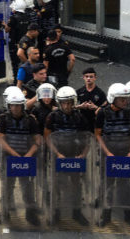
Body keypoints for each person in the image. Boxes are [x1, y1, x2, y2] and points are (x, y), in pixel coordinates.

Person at [94, 83, 130, 228]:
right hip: (108, 155)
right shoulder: (102, 113)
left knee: (125, 185)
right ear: (112, 99)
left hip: (126, 154)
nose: (126, 102)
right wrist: (107, 153)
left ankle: (129, 215)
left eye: (126, 99)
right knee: (107, 184)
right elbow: (97, 134)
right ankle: (106, 214)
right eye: (122, 99)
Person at [0, 87, 42, 226]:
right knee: (7, 186)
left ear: (22, 105)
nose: (15, 108)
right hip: (8, 159)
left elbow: (37, 140)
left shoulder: (30, 120)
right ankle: (5, 212)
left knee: (27, 187)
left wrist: (28, 155)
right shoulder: (3, 118)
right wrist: (14, 154)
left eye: (17, 105)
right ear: (9, 105)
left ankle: (30, 213)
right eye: (12, 105)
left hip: (26, 159)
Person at [44, 86, 91, 226]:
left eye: (70, 102)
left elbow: (87, 138)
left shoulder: (80, 117)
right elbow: (47, 138)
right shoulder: (52, 116)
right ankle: (56, 212)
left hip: (75, 155)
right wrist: (57, 154)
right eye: (64, 102)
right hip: (57, 156)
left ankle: (77, 212)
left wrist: (83, 154)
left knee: (77, 185)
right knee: (56, 184)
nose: (67, 105)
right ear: (59, 103)